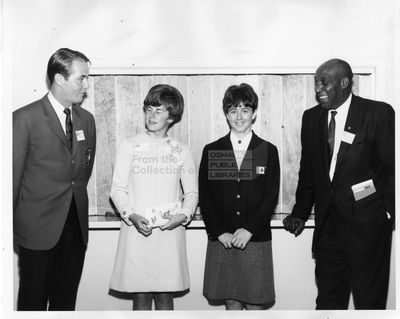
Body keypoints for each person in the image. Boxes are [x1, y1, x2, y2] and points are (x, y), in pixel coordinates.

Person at [283, 59, 395, 309]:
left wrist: (387, 213)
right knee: (328, 303)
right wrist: (300, 212)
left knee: (369, 303)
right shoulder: (311, 118)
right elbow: (309, 170)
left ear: (345, 83)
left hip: (368, 227)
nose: (318, 87)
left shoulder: (378, 113)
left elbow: (391, 168)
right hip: (328, 230)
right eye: (315, 82)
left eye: (324, 81)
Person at [13, 48, 96, 310]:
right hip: (37, 231)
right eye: (81, 78)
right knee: (32, 301)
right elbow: (10, 181)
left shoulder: (87, 120)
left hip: (75, 229)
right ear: (59, 79)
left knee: (65, 302)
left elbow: (83, 169)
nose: (86, 85)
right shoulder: (24, 118)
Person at [109, 84, 198, 310]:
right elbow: (117, 190)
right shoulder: (129, 146)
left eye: (159, 111)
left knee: (165, 297)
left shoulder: (181, 150)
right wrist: (131, 215)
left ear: (172, 116)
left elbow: (192, 193)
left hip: (169, 232)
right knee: (140, 296)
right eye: (149, 109)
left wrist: (183, 216)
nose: (152, 115)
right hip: (137, 231)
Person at [199, 83, 280, 310]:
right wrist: (219, 232)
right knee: (232, 304)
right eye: (233, 110)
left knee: (255, 306)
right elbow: (206, 198)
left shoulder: (267, 150)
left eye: (245, 110)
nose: (239, 116)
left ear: (254, 113)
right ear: (226, 114)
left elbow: (270, 196)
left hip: (255, 239)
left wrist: (249, 230)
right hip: (223, 240)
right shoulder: (214, 150)